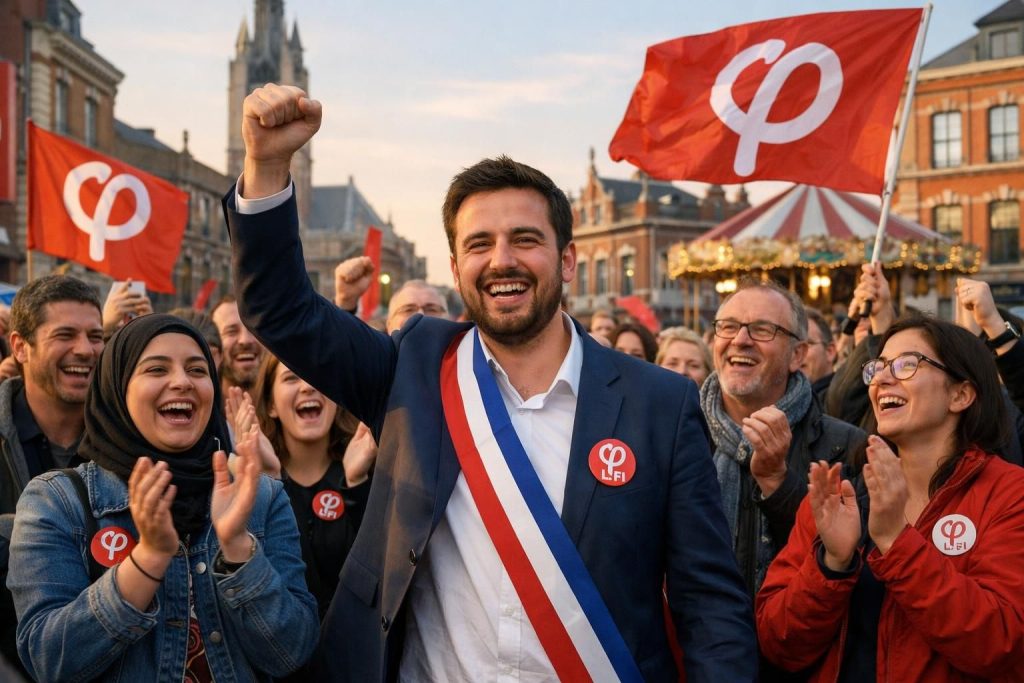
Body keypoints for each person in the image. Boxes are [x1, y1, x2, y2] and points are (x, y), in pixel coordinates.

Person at [226, 83, 755, 682]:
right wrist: (267, 168)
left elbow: (709, 606)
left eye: (525, 240)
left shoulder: (660, 403)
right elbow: (281, 311)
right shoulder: (414, 367)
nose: (501, 260)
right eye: (479, 244)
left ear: (568, 261)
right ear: (456, 268)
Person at [8, 314, 318, 681]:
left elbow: (292, 651)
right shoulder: (56, 501)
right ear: (118, 389)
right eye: (156, 370)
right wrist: (147, 559)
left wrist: (237, 548)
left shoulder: (262, 496)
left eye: (197, 370)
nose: (182, 382)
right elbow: (49, 660)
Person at [757, 316, 1024, 682]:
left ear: (960, 394)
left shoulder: (1009, 494)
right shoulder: (840, 493)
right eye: (878, 367)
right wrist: (831, 564)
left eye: (907, 364)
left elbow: (1003, 644)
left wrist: (898, 542)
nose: (882, 379)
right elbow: (777, 643)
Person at [701, 280, 865, 596]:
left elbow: (843, 568)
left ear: (796, 355)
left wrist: (778, 484)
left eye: (762, 330)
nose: (740, 340)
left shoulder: (844, 446)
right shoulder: (679, 432)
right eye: (728, 326)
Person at [250, 352, 376, 618]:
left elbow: (381, 571)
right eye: (291, 377)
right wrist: (271, 481)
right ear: (271, 404)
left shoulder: (368, 469)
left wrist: (357, 485)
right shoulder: (255, 483)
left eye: (318, 376)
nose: (308, 386)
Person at [334, 259, 449, 334]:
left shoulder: (463, 365)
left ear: (448, 319)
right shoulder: (373, 367)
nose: (420, 315)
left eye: (432, 309)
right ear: (389, 324)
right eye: (408, 310)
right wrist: (345, 303)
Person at [211, 296, 265, 394]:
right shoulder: (200, 408)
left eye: (254, 330)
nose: (245, 340)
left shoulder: (290, 407)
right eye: (232, 331)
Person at [802, 308, 837, 403]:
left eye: (807, 344)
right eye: (792, 345)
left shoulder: (842, 397)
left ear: (830, 351)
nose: (797, 353)